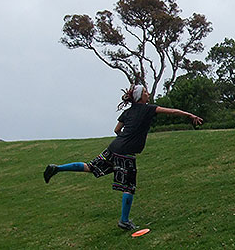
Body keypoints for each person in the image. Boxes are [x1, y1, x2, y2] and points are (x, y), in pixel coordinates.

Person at [42, 85, 203, 231]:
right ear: (140, 97)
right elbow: (172, 111)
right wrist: (190, 115)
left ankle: (57, 168)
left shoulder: (127, 112)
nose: (148, 94)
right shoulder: (148, 109)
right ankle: (124, 221)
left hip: (114, 147)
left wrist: (125, 138)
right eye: (146, 92)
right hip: (125, 153)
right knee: (129, 187)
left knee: (90, 167)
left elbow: (116, 129)